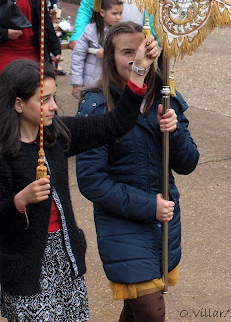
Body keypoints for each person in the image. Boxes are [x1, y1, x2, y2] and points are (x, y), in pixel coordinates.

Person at [0, 37, 160, 321]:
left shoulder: (57, 134)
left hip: (66, 259)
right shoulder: (4, 153)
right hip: (24, 269)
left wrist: (139, 70)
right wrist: (19, 201)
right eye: (44, 100)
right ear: (18, 104)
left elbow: (115, 123)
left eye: (53, 98)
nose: (53, 106)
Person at [76, 21, 199, 322]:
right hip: (122, 225)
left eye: (141, 51)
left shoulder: (165, 98)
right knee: (151, 314)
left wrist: (174, 132)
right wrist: (148, 206)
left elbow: (188, 163)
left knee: (135, 313)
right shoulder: (97, 106)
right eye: (126, 52)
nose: (135, 59)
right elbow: (91, 180)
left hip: (163, 223)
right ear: (110, 57)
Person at [70, 0, 124, 98]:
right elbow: (78, 56)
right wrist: (77, 83)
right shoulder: (90, 31)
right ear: (102, 12)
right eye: (114, 13)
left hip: (112, 82)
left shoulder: (121, 32)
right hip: (91, 82)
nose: (118, 17)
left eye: (120, 13)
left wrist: (108, 54)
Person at [69, 0, 152, 50]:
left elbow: (152, 11)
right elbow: (87, 8)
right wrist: (77, 37)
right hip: (107, 37)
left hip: (138, 38)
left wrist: (153, 37)